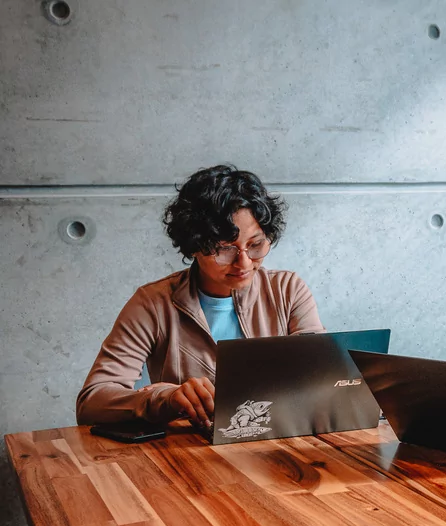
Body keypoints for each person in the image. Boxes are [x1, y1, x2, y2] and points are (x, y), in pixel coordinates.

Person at [76, 165, 324, 426]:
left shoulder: (287, 290)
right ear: (194, 246)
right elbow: (92, 403)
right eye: (224, 249)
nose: (244, 263)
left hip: (277, 452)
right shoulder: (154, 303)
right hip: (189, 458)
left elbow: (322, 377)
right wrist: (168, 398)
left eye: (255, 245)